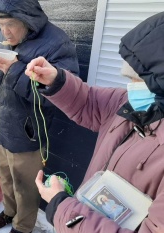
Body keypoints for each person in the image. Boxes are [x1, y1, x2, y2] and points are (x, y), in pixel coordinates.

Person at [27, 11, 164, 233]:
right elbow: (88, 101)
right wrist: (56, 80)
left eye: (140, 79)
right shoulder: (125, 102)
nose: (131, 87)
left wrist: (62, 207)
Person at [0, 0, 79, 232]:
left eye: (10, 24)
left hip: (28, 134)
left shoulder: (56, 43)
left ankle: (23, 226)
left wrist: (15, 69)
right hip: (1, 127)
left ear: (27, 21)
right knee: (6, 178)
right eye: (0, 24)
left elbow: (59, 95)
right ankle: (9, 212)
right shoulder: (5, 35)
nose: (4, 31)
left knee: (26, 187)